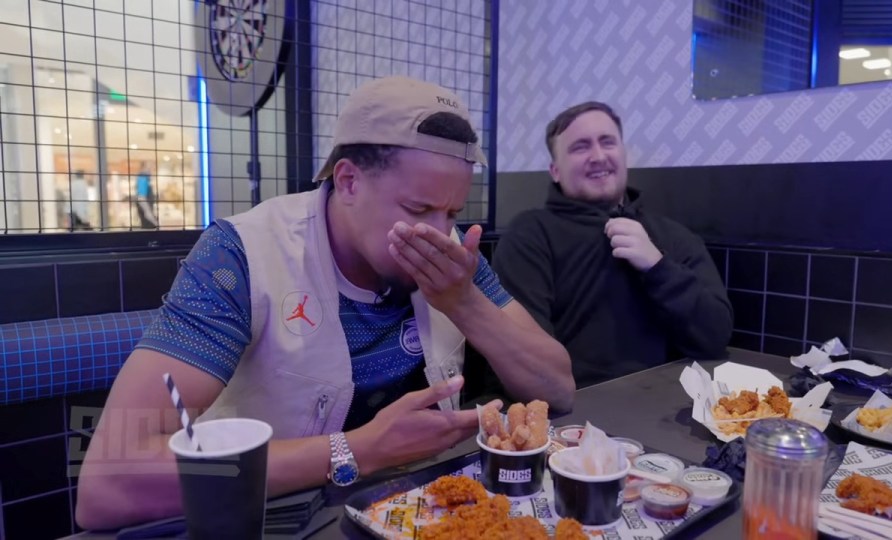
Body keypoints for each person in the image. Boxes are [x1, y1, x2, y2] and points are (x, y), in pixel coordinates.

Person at [75, 76, 575, 530]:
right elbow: (107, 484)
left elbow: (558, 388)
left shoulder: (449, 258)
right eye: (418, 209)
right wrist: (358, 450)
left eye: (451, 211)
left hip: (410, 510)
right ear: (349, 180)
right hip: (268, 517)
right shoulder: (240, 256)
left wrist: (464, 302)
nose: (438, 232)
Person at [492, 101, 733, 389]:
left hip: (665, 410)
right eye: (580, 147)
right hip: (572, 415)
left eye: (607, 142)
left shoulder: (673, 236)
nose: (597, 156)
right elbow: (525, 358)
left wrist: (658, 267)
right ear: (555, 171)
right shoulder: (529, 236)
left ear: (623, 154)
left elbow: (715, 337)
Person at [134, 161, 159, 228]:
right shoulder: (143, 176)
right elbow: (141, 197)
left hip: (145, 209)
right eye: (150, 166)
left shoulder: (145, 177)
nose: (152, 168)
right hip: (145, 211)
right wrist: (149, 214)